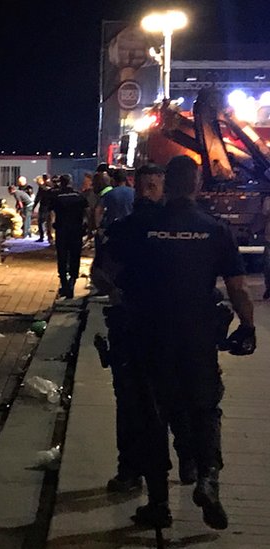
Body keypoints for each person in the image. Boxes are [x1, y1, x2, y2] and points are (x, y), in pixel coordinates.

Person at [118, 156, 256, 530]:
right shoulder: (215, 230)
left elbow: (110, 278)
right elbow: (238, 288)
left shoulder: (140, 228)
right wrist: (248, 327)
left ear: (166, 184)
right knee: (205, 409)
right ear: (196, 184)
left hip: (150, 339)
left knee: (154, 417)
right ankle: (208, 480)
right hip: (197, 340)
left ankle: (158, 504)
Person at [92, 163, 198, 493]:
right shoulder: (182, 227)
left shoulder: (130, 228)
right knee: (169, 398)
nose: (148, 192)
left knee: (136, 403)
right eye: (145, 186)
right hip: (165, 329)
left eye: (153, 186)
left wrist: (116, 292)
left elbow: (101, 274)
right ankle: (182, 461)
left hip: (139, 329)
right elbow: (101, 274)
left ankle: (134, 471)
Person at [50, 174, 88, 298]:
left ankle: (64, 284)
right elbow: (87, 212)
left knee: (62, 257)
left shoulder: (57, 196)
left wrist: (50, 230)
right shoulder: (79, 196)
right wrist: (86, 227)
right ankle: (72, 282)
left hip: (61, 231)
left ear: (61, 182)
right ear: (70, 182)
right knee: (75, 256)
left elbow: (51, 213)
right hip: (76, 231)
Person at [35, 174, 56, 242]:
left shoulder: (42, 187)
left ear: (43, 179)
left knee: (41, 221)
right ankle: (50, 236)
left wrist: (34, 206)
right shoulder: (53, 186)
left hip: (44, 206)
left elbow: (38, 197)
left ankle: (42, 236)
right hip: (52, 206)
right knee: (50, 221)